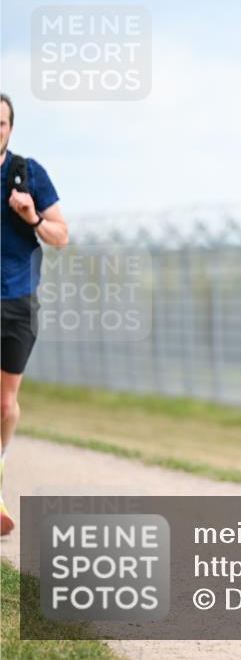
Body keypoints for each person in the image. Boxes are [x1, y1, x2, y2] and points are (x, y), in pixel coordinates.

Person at [0, 93, 69, 536]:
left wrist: (30, 217)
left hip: (18, 300)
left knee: (5, 403)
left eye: (0, 122)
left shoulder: (27, 173)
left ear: (9, 128)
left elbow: (61, 235)